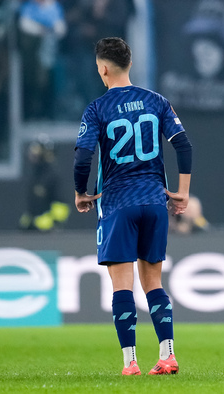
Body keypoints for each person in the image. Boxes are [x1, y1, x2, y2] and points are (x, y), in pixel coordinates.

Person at [73, 37, 192, 376]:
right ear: (130, 64)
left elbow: (83, 156)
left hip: (117, 202)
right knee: (153, 281)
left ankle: (130, 363)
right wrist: (182, 191)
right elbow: (183, 144)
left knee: (122, 285)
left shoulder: (97, 109)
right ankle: (167, 355)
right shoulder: (156, 102)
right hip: (154, 200)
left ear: (103, 69)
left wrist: (81, 191)